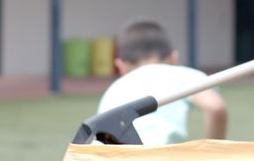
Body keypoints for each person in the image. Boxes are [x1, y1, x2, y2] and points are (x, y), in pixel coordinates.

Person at [97, 19, 227, 145]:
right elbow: (215, 107)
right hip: (164, 158)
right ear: (174, 58)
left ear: (120, 66)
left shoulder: (113, 90)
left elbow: (101, 136)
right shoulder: (182, 75)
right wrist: (214, 151)